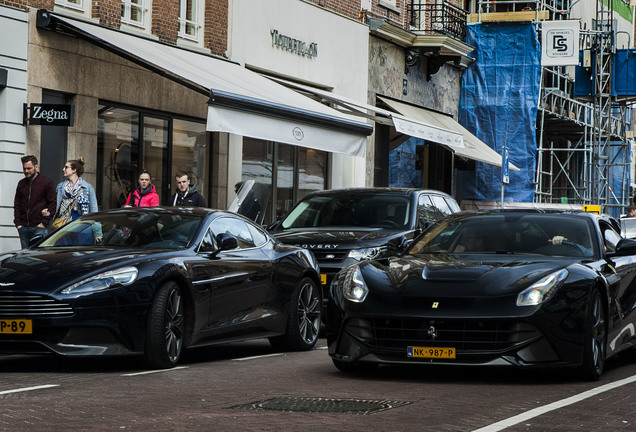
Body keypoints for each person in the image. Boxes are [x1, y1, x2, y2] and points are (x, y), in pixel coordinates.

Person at [13, 155, 57, 248]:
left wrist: (44, 223)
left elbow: (52, 204)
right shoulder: (21, 183)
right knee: (25, 256)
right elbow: (17, 204)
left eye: (29, 168)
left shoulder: (47, 182)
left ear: (36, 167)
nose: (26, 171)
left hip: (39, 227)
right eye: (24, 168)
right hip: (23, 227)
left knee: (38, 256)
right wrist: (18, 224)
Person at [55, 157, 99, 223]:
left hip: (80, 224)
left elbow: (94, 211)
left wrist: (96, 230)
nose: (63, 169)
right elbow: (56, 206)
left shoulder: (87, 188)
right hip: (63, 225)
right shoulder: (60, 187)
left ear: (74, 170)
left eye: (66, 167)